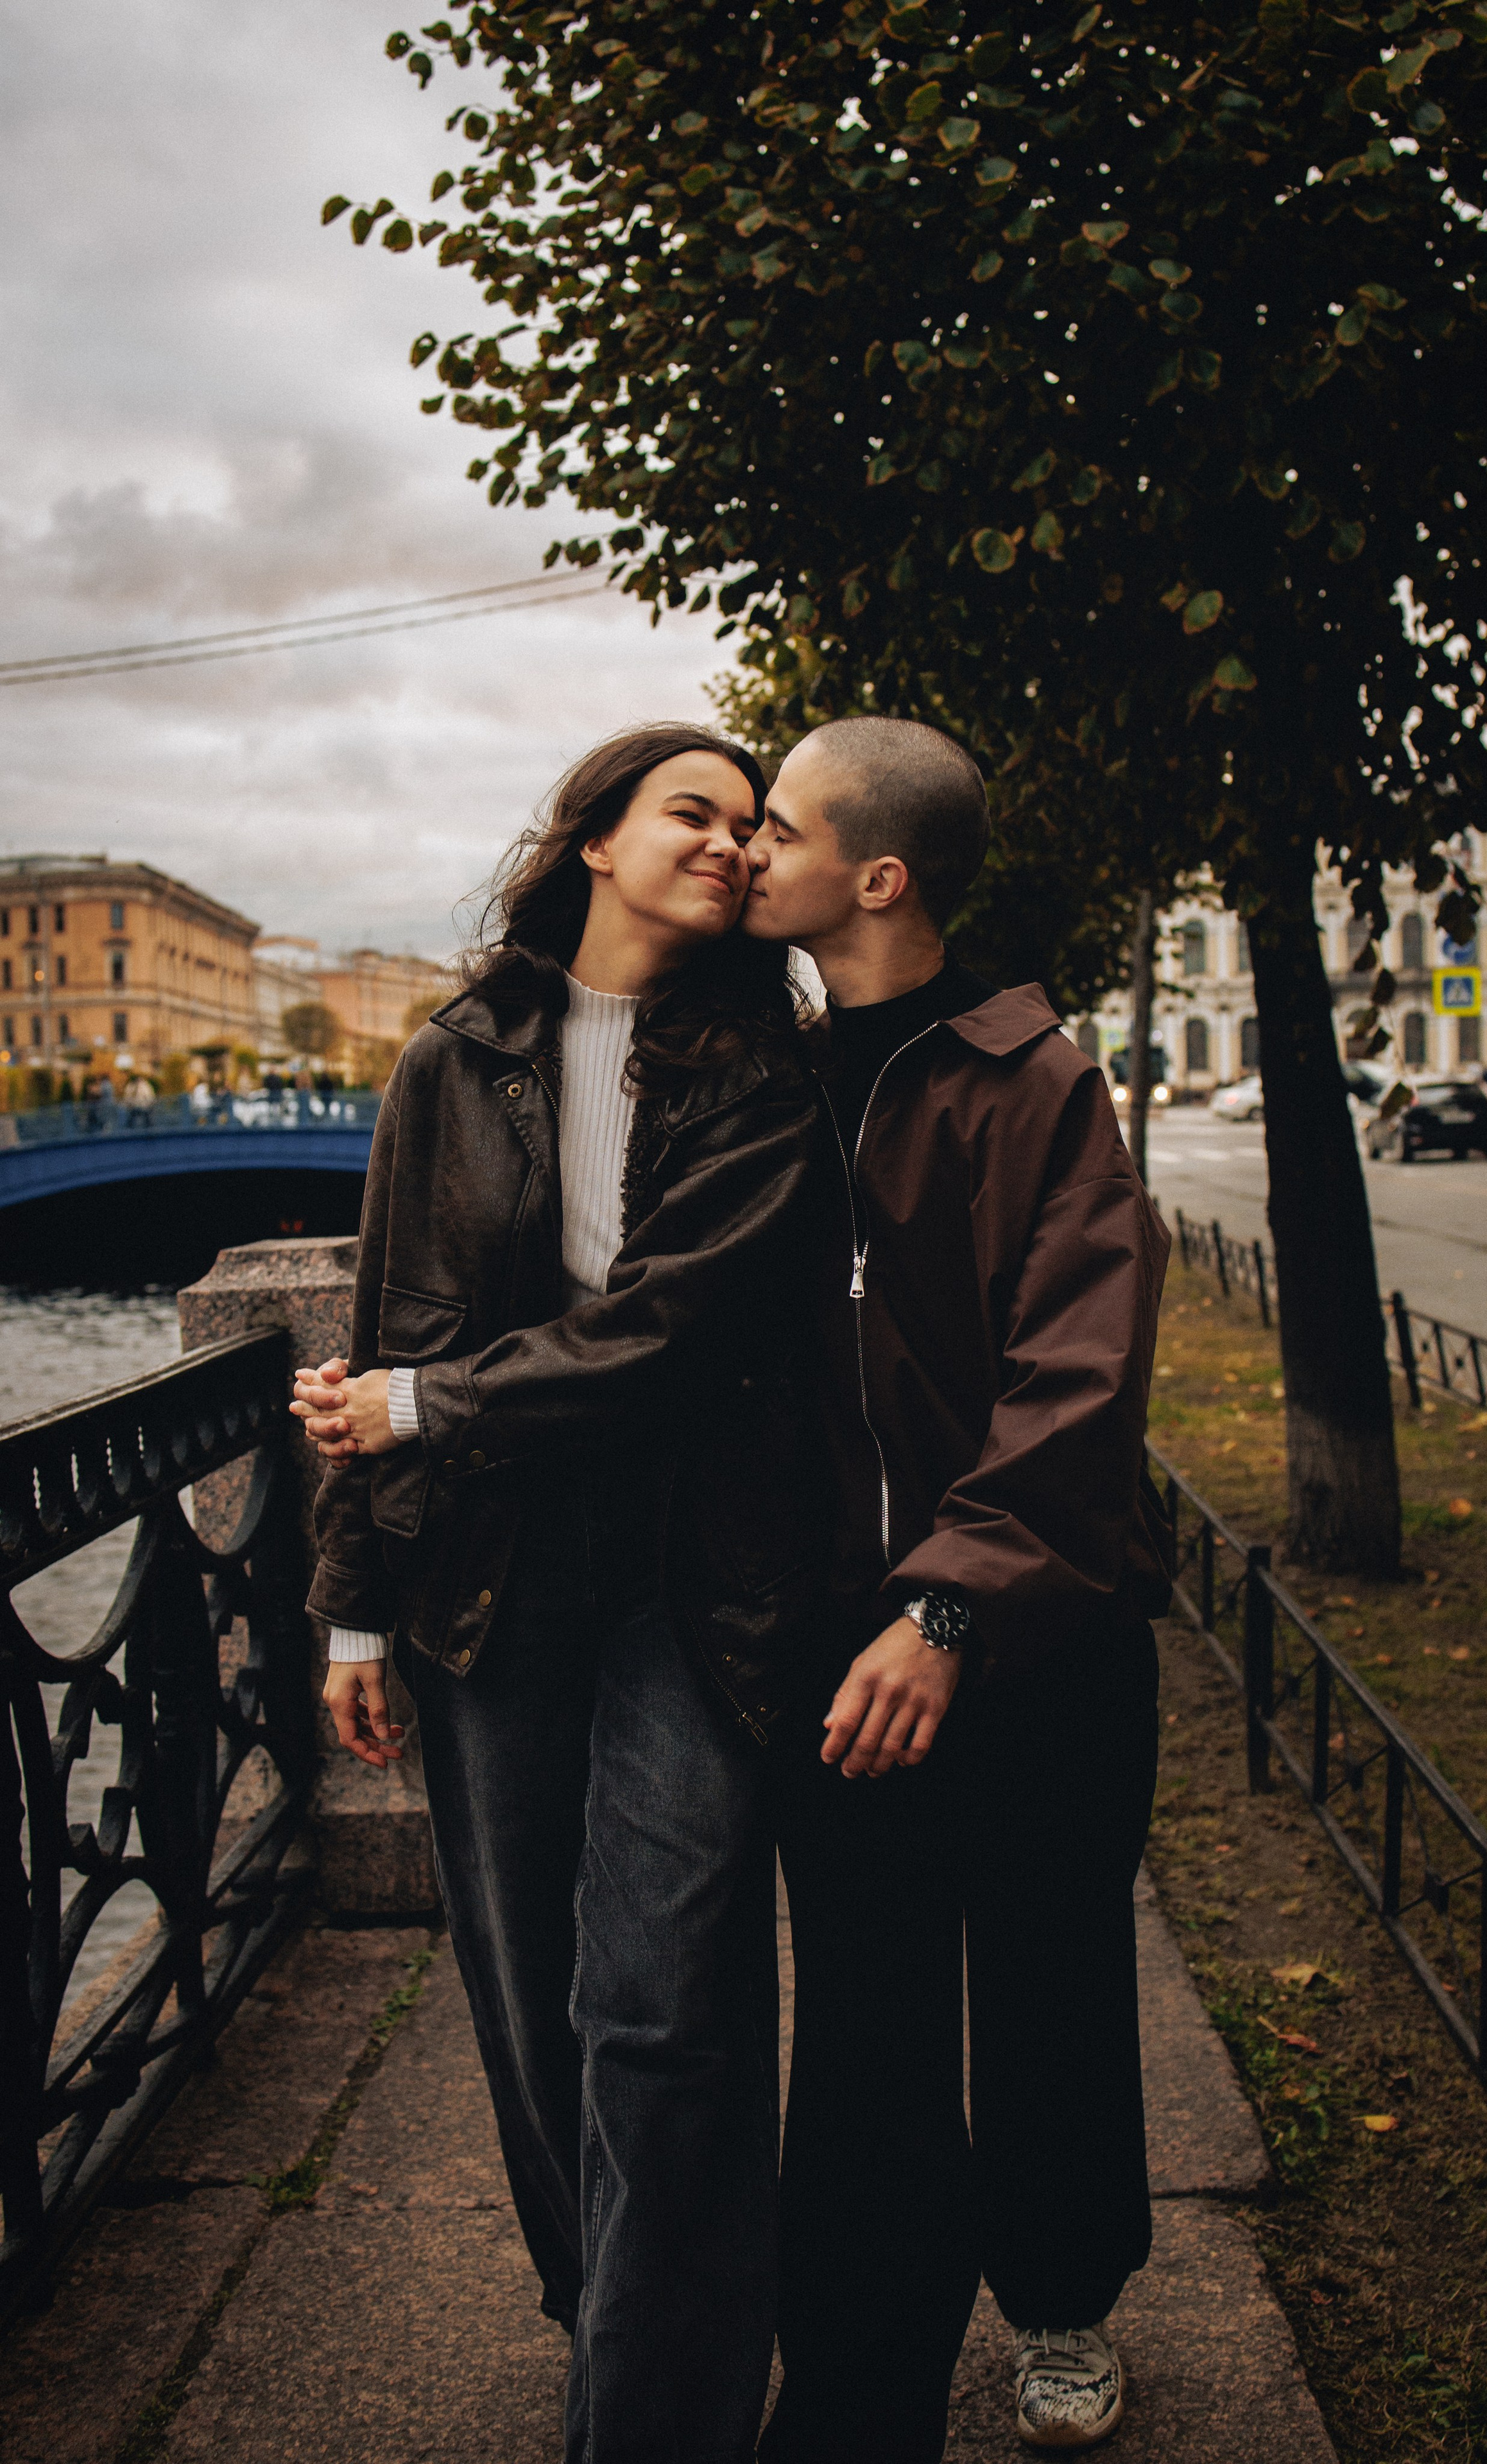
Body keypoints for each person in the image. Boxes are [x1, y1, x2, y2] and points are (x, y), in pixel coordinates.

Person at [288, 723, 823, 2464]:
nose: (735, 845)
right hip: (489, 1588)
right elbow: (393, 1320)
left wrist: (424, 1406)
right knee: (534, 2018)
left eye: (754, 826)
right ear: (593, 835)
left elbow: (671, 1331)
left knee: (664, 2013)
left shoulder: (768, 1066)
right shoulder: (459, 1057)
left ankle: (652, 2417)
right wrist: (356, 1610)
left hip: (697, 1582)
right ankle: (629, 2325)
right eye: (696, 812)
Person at [741, 717, 1172, 2461]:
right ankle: (852, 2378)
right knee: (862, 2034)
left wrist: (950, 1606)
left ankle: (1063, 2307)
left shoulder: (1035, 1077)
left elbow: (1079, 1377)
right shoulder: (758, 1077)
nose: (746, 852)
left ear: (880, 873)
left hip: (1040, 1642)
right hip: (839, 1659)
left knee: (1055, 1991)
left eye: (778, 826)